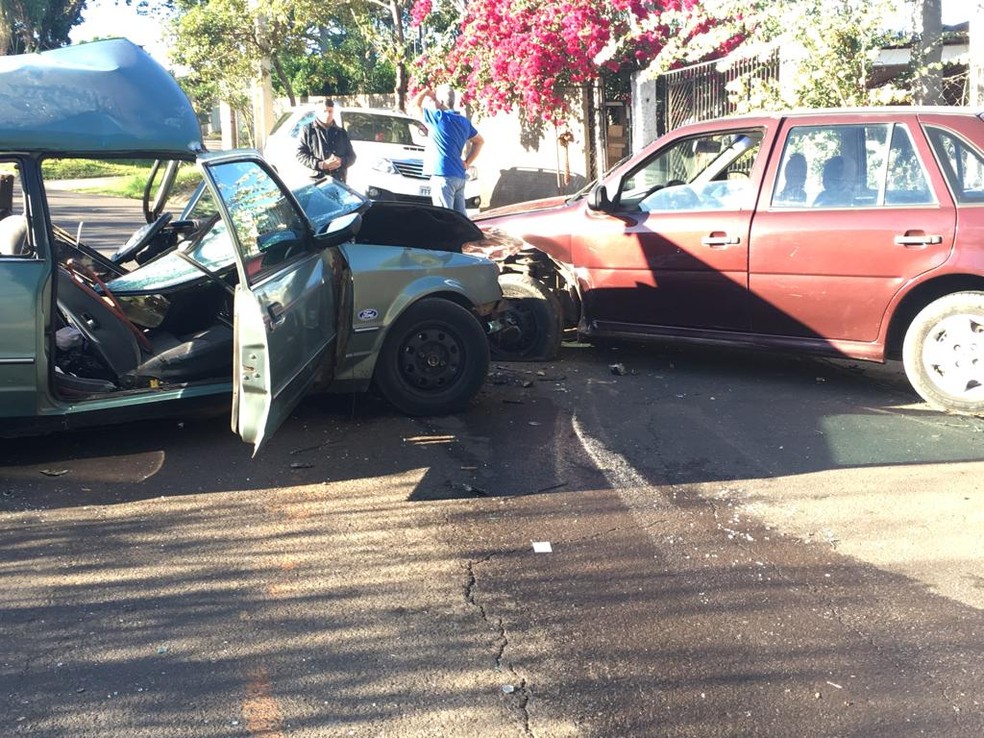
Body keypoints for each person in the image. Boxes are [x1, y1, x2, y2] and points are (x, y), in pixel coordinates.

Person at [411, 84, 484, 215]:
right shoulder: (464, 122)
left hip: (443, 175)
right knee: (460, 219)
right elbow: (479, 141)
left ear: (442, 102)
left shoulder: (438, 117)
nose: (433, 103)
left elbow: (414, 106)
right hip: (459, 176)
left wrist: (426, 92)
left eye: (435, 100)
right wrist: (467, 162)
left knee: (445, 218)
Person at [296, 98, 356, 183]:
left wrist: (341, 161)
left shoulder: (341, 132)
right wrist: (321, 165)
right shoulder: (308, 130)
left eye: (330, 111)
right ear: (317, 112)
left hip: (339, 181)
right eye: (324, 111)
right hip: (317, 181)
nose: (328, 114)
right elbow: (300, 155)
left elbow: (352, 156)